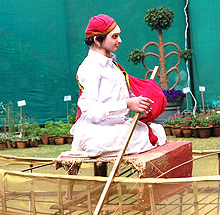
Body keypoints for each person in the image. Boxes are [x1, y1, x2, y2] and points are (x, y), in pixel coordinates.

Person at [67, 14, 167, 157]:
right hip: (97, 131)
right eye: (114, 37)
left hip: (118, 127)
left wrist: (143, 99)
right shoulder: (90, 68)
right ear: (97, 40)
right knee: (96, 143)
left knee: (157, 131)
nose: (120, 40)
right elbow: (91, 112)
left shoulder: (113, 66)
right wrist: (126, 104)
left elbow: (126, 95)